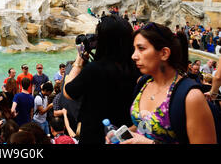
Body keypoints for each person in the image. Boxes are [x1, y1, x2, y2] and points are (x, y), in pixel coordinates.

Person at [124, 22, 217, 144]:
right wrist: (126, 133)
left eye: (141, 48)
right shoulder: (143, 83)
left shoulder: (191, 97)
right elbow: (144, 127)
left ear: (164, 53)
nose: (134, 56)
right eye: (134, 49)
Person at [63, 15, 141, 144]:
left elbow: (68, 92)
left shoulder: (95, 69)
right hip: (126, 135)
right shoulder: (137, 68)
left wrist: (79, 60)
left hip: (95, 136)